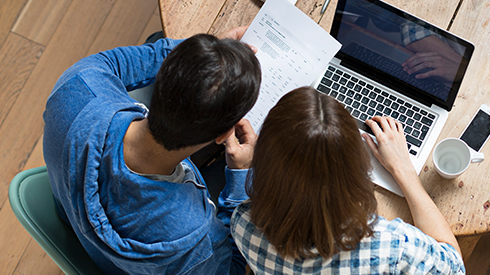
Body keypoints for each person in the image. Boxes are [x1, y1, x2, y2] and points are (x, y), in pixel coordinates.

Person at [43, 26, 261, 274]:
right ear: (223, 135)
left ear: (161, 76)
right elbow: (231, 269)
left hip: (75, 216)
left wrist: (204, 61)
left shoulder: (77, 87)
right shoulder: (195, 236)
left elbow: (115, 61)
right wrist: (241, 177)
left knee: (156, 37)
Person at [230, 87, 465, 274]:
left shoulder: (242, 224)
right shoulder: (394, 250)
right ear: (358, 168)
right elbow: (454, 266)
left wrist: (243, 169)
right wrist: (405, 172)